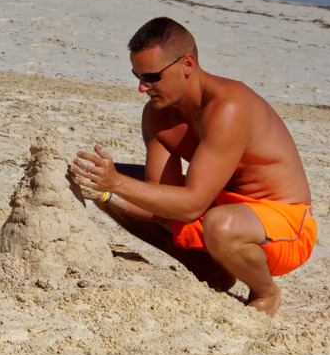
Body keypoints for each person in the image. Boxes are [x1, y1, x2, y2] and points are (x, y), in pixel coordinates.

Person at [72, 17, 317, 317]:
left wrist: (116, 185)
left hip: (286, 226)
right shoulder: (158, 114)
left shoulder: (229, 107)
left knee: (217, 223)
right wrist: (106, 192)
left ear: (187, 64)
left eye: (152, 77)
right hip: (220, 206)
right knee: (96, 177)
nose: (141, 87)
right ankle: (209, 270)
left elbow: (191, 207)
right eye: (137, 75)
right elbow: (161, 206)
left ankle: (265, 293)